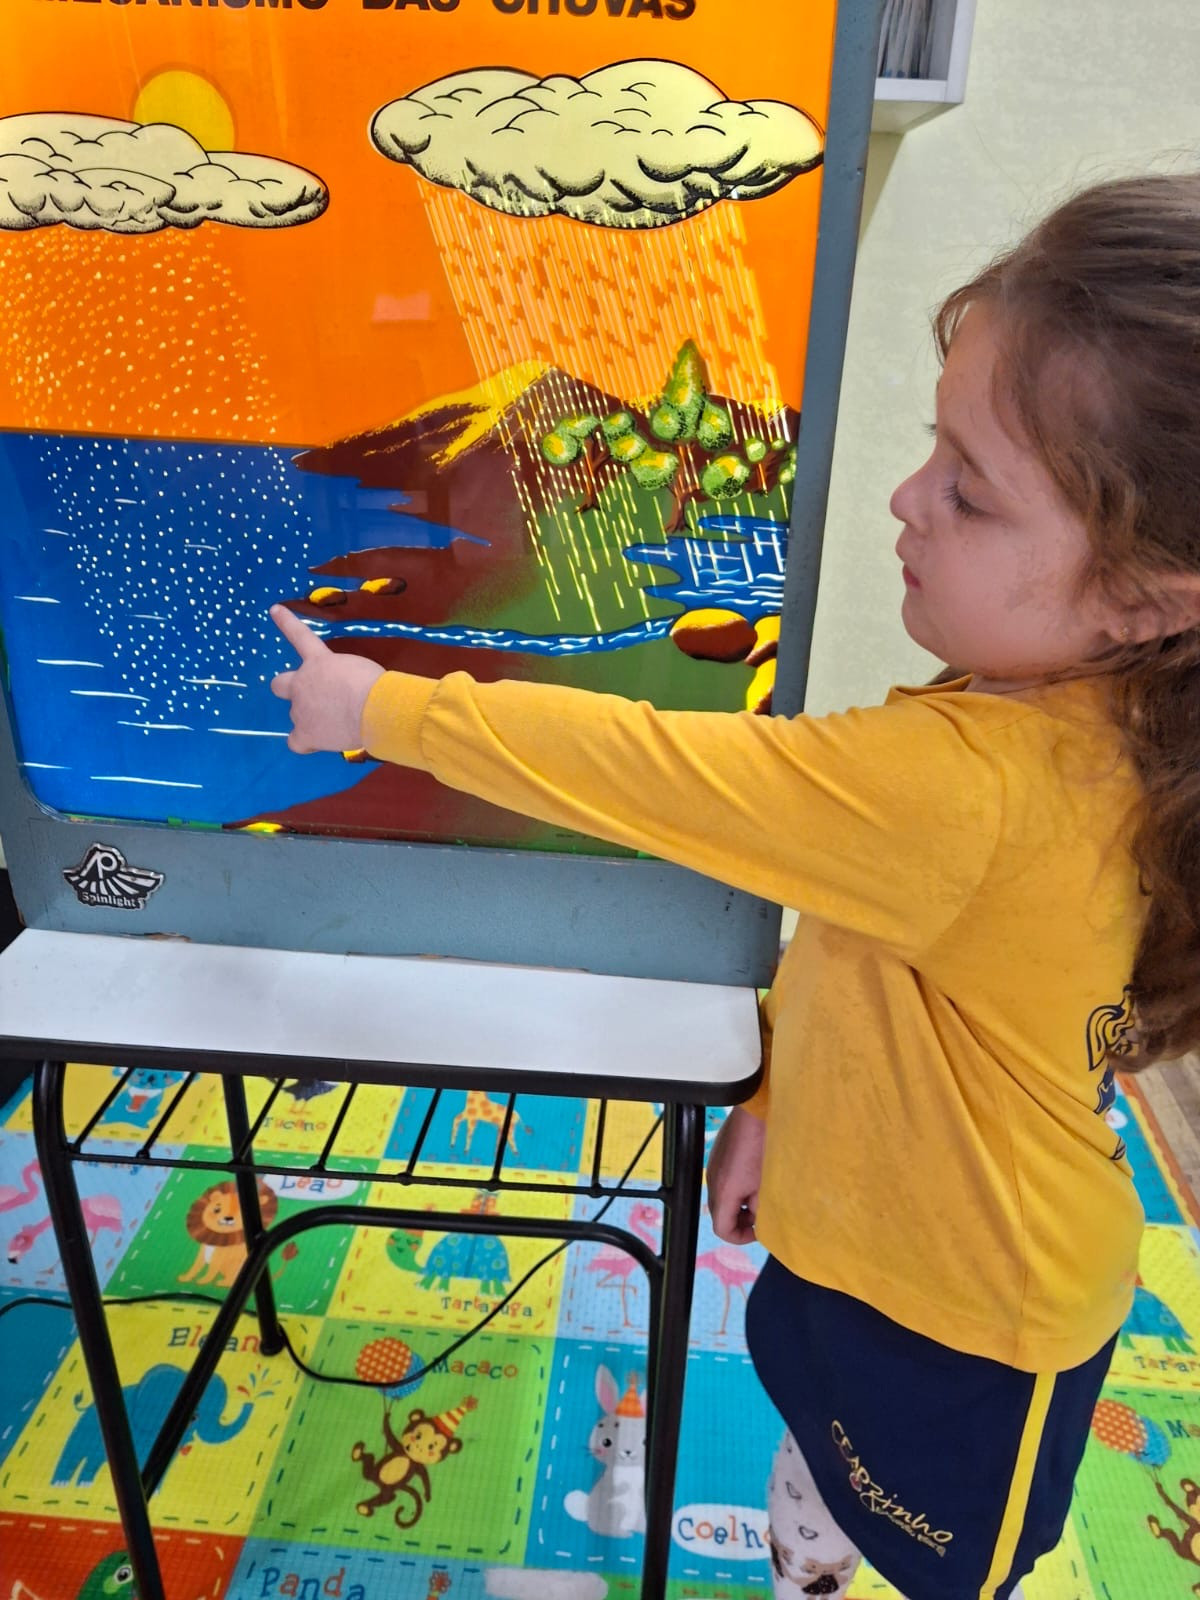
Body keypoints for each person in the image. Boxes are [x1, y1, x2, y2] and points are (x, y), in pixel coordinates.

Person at [269, 173, 1200, 1599]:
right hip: (864, 1247)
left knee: (921, 1563)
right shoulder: (1061, 714)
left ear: (1145, 596)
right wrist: (774, 1100)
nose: (904, 499)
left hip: (972, 1327)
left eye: (969, 490)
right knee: (815, 1489)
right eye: (931, 450)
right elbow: (872, 926)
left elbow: (656, 775)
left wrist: (380, 708)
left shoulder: (980, 786)